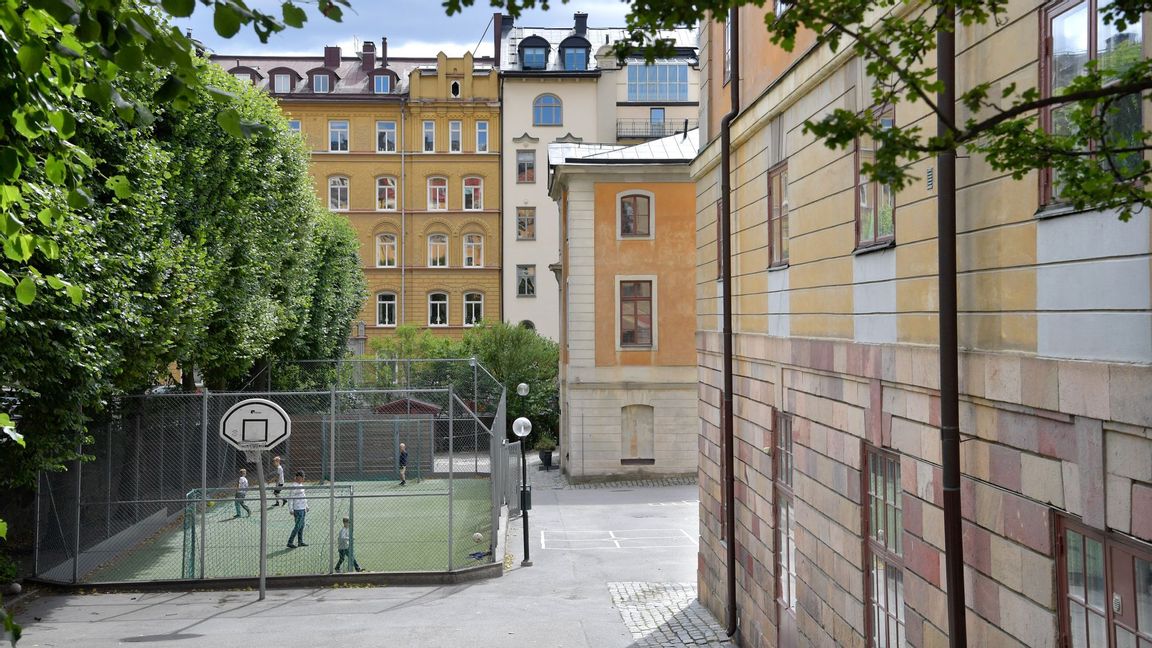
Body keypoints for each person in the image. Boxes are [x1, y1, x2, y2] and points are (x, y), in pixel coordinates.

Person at [286, 470, 309, 548]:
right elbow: (290, 498)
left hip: (303, 509)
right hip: (297, 509)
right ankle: (290, 542)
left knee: (302, 526)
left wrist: (306, 506)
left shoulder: (301, 485)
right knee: (297, 526)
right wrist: (291, 509)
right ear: (299, 477)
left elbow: (304, 497)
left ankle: (300, 541)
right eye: (303, 477)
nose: (304, 478)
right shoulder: (294, 486)